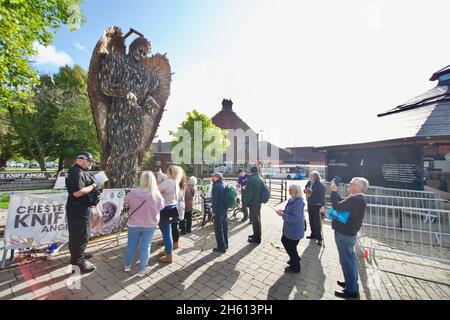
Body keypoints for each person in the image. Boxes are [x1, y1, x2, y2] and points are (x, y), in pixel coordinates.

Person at [330, 177, 369, 299]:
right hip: (345, 233)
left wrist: (333, 191)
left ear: (359, 187)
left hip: (345, 234)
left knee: (346, 261)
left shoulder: (357, 200)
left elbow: (337, 206)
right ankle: (350, 283)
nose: (348, 185)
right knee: (349, 260)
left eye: (351, 183)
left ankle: (351, 290)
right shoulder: (355, 198)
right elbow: (343, 204)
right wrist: (336, 194)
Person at [123, 171, 164, 277]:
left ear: (142, 180)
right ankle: (142, 269)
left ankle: (127, 265)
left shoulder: (133, 193)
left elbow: (125, 201)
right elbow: (161, 207)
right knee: (145, 246)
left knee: (131, 245)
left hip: (133, 224)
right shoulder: (157, 195)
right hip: (150, 224)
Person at [65, 151, 98, 274]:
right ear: (82, 160)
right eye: (89, 161)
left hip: (80, 208)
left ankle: (79, 255)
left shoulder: (78, 171)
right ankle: (78, 263)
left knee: (79, 235)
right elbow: (77, 193)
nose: (90, 164)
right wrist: (93, 186)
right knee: (80, 235)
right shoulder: (76, 172)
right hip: (78, 210)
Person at [276, 184, 305, 273]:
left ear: (296, 191)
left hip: (295, 230)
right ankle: (294, 258)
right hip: (289, 229)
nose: (288, 191)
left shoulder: (299, 202)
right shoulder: (291, 199)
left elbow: (295, 218)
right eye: (289, 189)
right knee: (286, 242)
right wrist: (283, 211)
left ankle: (295, 266)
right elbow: (290, 212)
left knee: (291, 247)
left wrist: (283, 215)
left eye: (290, 190)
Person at [157, 165, 183, 263]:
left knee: (167, 233)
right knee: (167, 231)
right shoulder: (175, 182)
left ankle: (169, 255)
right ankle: (168, 250)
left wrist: (159, 179)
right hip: (172, 208)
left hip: (165, 209)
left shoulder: (168, 182)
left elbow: (156, 189)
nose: (166, 172)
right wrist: (162, 175)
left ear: (171, 173)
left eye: (167, 171)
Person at [304, 171, 326, 246]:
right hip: (310, 204)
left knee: (317, 223)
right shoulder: (309, 182)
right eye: (310, 175)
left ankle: (319, 238)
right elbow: (305, 188)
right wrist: (305, 191)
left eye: (311, 176)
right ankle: (313, 234)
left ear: (316, 177)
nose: (310, 177)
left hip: (317, 205)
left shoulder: (320, 185)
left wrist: (322, 206)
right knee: (311, 220)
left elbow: (322, 196)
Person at [243, 166, 264, 244]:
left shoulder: (252, 179)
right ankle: (257, 234)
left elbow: (249, 193)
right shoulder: (260, 177)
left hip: (253, 202)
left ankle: (257, 238)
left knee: (255, 220)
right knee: (257, 218)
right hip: (258, 201)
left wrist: (245, 202)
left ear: (251, 172)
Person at [211, 172, 228, 253]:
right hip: (225, 209)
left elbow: (215, 201)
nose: (212, 178)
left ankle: (221, 247)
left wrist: (214, 211)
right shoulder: (223, 184)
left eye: (213, 177)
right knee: (224, 227)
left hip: (218, 210)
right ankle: (226, 244)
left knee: (218, 229)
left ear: (217, 177)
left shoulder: (216, 186)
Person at [171, 169, 187, 249]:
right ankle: (171, 241)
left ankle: (175, 243)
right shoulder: (179, 184)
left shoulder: (178, 185)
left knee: (174, 225)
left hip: (177, 207)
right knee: (172, 225)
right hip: (177, 206)